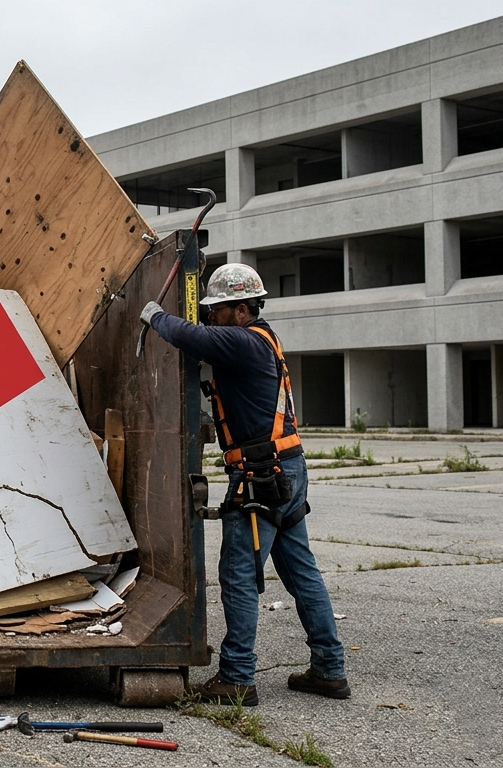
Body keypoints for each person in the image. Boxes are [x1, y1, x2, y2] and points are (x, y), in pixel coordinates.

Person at [140, 263, 349, 706]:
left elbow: (192, 337)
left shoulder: (243, 342)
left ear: (239, 309)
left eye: (215, 310)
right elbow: (202, 333)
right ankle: (329, 669)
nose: (210, 318)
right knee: (301, 572)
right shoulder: (260, 339)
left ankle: (236, 678)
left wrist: (156, 316)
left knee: (237, 575)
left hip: (261, 475)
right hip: (286, 467)